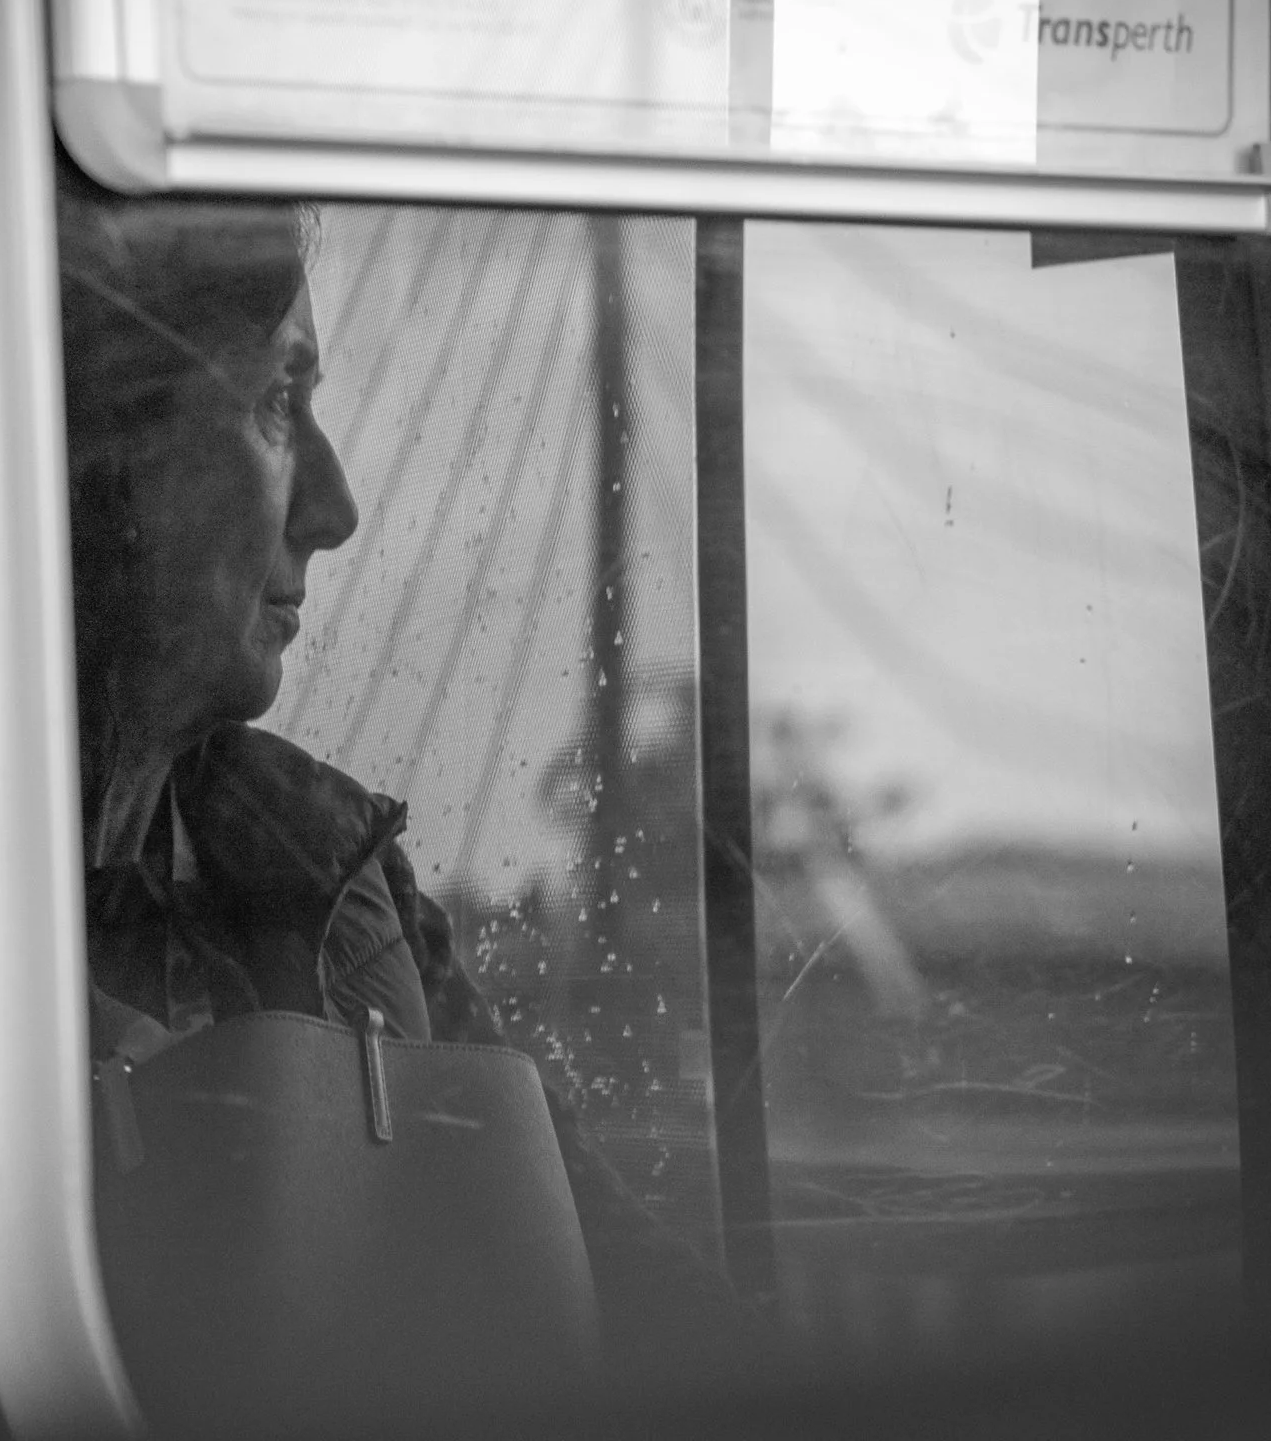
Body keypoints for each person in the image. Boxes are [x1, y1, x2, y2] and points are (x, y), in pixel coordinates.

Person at [57, 162, 752, 1374]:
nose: (332, 507)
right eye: (280, 401)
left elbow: (645, 1315)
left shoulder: (329, 873)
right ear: (104, 458)